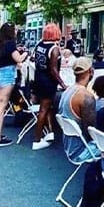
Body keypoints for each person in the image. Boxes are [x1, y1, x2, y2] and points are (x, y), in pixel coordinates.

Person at [0, 22, 28, 148]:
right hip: (6, 76)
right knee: (1, 108)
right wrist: (26, 53)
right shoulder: (10, 44)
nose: (16, 32)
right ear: (11, 32)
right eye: (15, 30)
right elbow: (19, 59)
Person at [32, 23, 67, 151]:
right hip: (48, 82)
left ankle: (50, 132)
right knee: (43, 110)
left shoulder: (39, 45)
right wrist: (63, 84)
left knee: (47, 108)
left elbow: (34, 59)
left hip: (38, 79)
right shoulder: (54, 49)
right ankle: (37, 140)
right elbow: (53, 69)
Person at [58, 57, 100, 162]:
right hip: (81, 151)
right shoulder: (86, 96)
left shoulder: (68, 91)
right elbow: (91, 132)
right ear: (91, 71)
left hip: (69, 146)